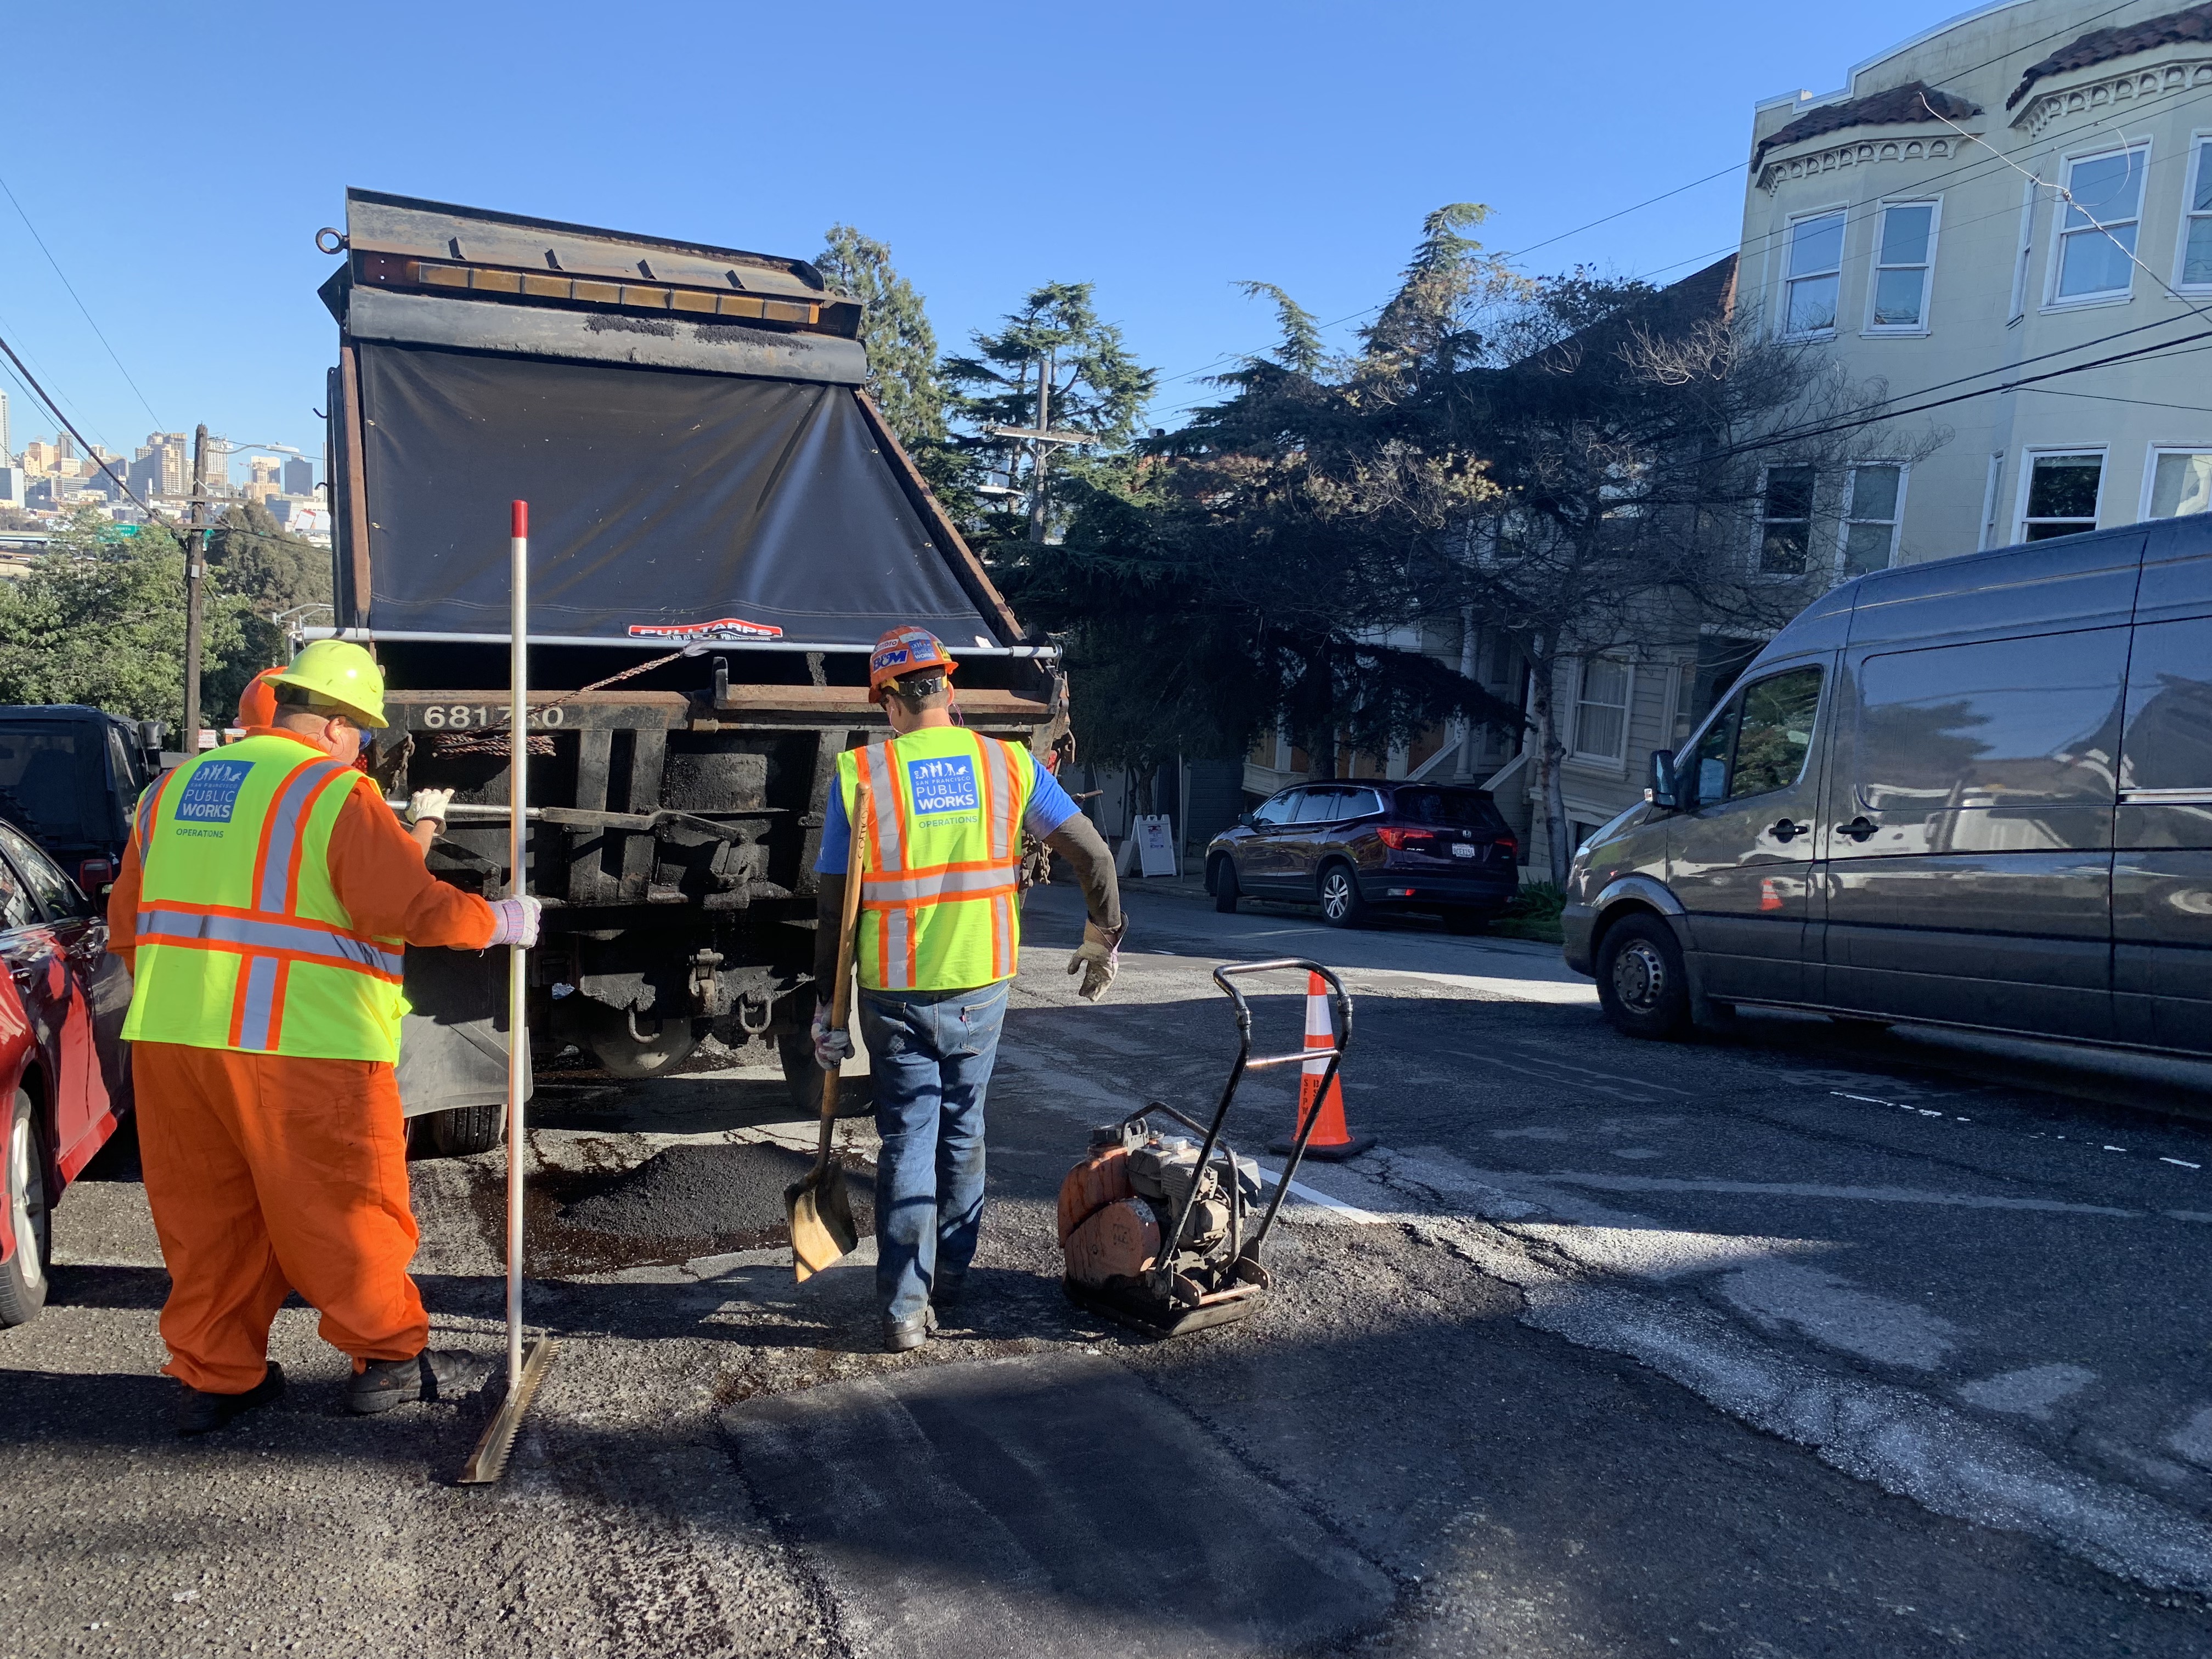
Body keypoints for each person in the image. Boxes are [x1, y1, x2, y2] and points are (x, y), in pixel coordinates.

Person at [107, 639, 540, 1435]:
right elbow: (407, 906)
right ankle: (386, 1361)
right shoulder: (332, 793)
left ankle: (216, 1377)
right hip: (304, 1042)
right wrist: (500, 921)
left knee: (207, 1221)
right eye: (365, 733)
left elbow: (126, 924)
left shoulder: (167, 792)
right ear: (339, 724)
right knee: (343, 1208)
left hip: (173, 1044)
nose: (363, 748)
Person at [811, 627, 1123, 1352]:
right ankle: (952, 1278)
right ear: (948, 693)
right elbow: (1094, 854)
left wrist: (827, 1013)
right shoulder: (1007, 766)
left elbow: (836, 908)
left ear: (890, 704)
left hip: (894, 992)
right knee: (963, 1128)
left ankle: (903, 1310)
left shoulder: (862, 776)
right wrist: (1102, 937)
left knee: (909, 1138)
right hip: (982, 987)